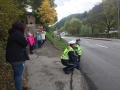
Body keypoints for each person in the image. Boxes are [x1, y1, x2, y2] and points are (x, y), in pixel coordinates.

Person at [6, 22, 29, 90]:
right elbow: (25, 43)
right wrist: (25, 38)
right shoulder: (18, 34)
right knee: (19, 75)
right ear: (20, 27)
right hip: (17, 58)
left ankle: (20, 87)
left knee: (17, 74)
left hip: (13, 57)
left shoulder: (13, 33)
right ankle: (19, 88)